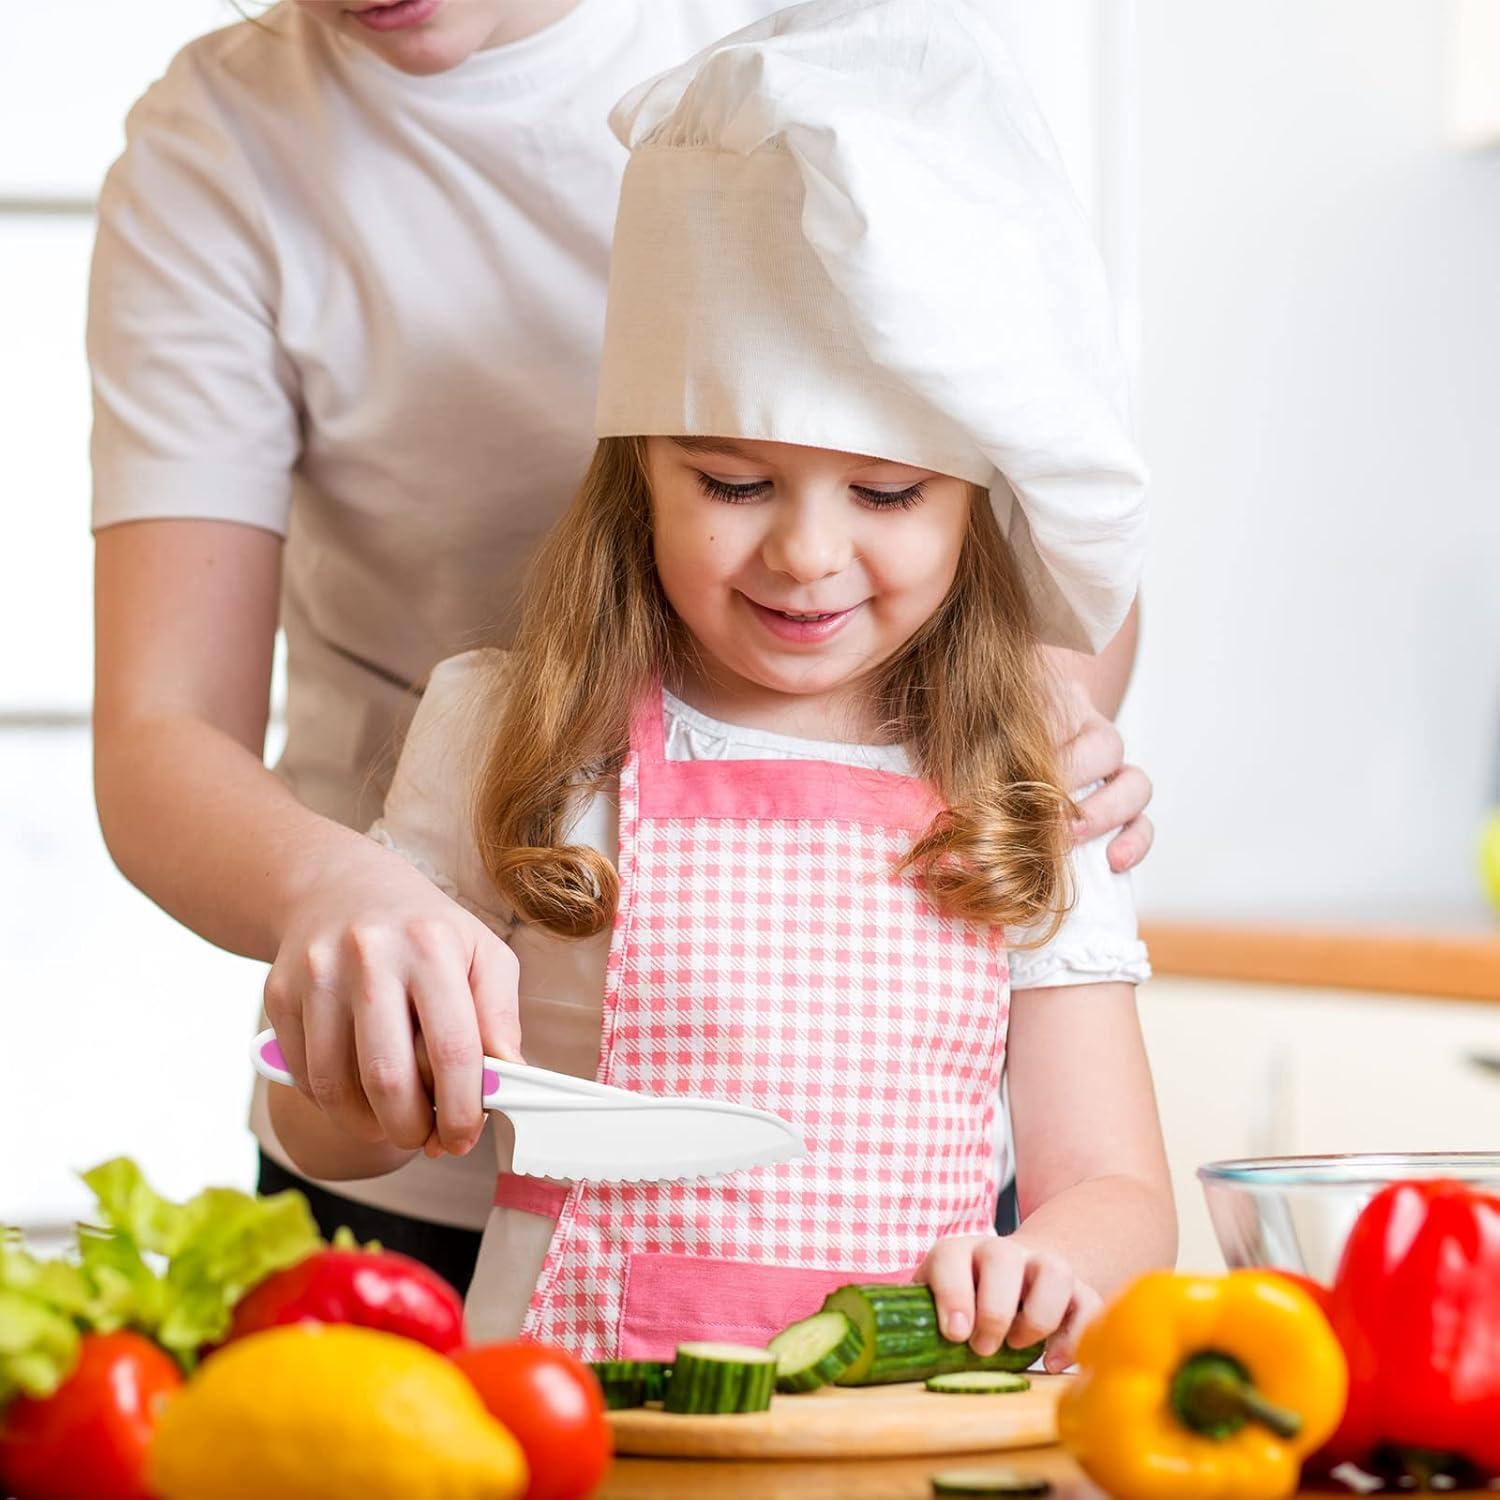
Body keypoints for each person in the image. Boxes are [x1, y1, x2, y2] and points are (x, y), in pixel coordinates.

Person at [88, 0, 1154, 1291]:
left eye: (884, 493)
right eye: (731, 481)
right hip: (453, 1224)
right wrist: (351, 960)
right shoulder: (223, 144)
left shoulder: (840, 47)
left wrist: (1036, 725)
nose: (808, 554)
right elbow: (165, 739)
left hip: (917, 1280)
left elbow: (1112, 1193)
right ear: (637, 479)